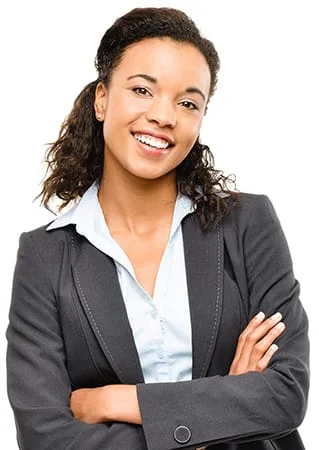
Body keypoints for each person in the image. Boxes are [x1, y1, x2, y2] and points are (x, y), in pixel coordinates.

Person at [6, 6, 309, 450]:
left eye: (188, 102)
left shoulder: (248, 224)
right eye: (143, 90)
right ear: (102, 98)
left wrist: (115, 401)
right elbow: (44, 436)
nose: (164, 116)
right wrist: (219, 411)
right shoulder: (45, 256)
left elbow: (286, 395)